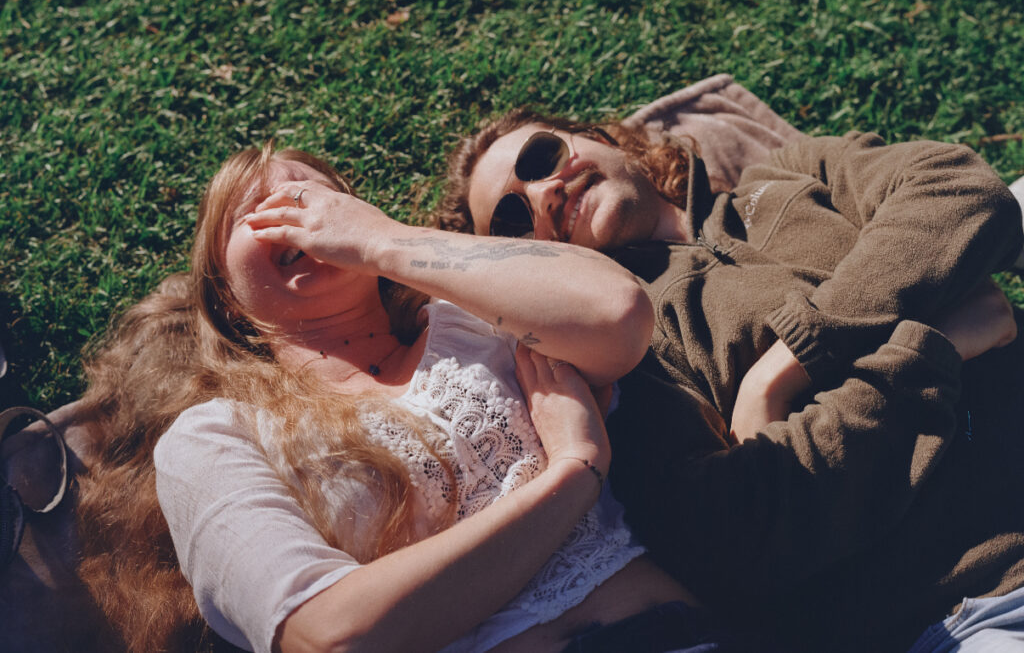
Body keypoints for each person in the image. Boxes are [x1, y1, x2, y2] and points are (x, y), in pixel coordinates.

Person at [105, 141, 800, 653]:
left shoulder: (471, 316)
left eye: (314, 198)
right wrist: (569, 477)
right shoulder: (214, 437)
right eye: (253, 214)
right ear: (224, 292)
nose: (292, 213)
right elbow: (333, 637)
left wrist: (382, 241)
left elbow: (617, 316)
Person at [437, 107, 1024, 652]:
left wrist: (786, 367)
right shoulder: (631, 367)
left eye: (539, 158)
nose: (547, 191)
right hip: (979, 599)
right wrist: (933, 346)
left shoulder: (787, 172)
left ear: (598, 139)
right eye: (513, 218)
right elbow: (743, 531)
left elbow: (961, 189)